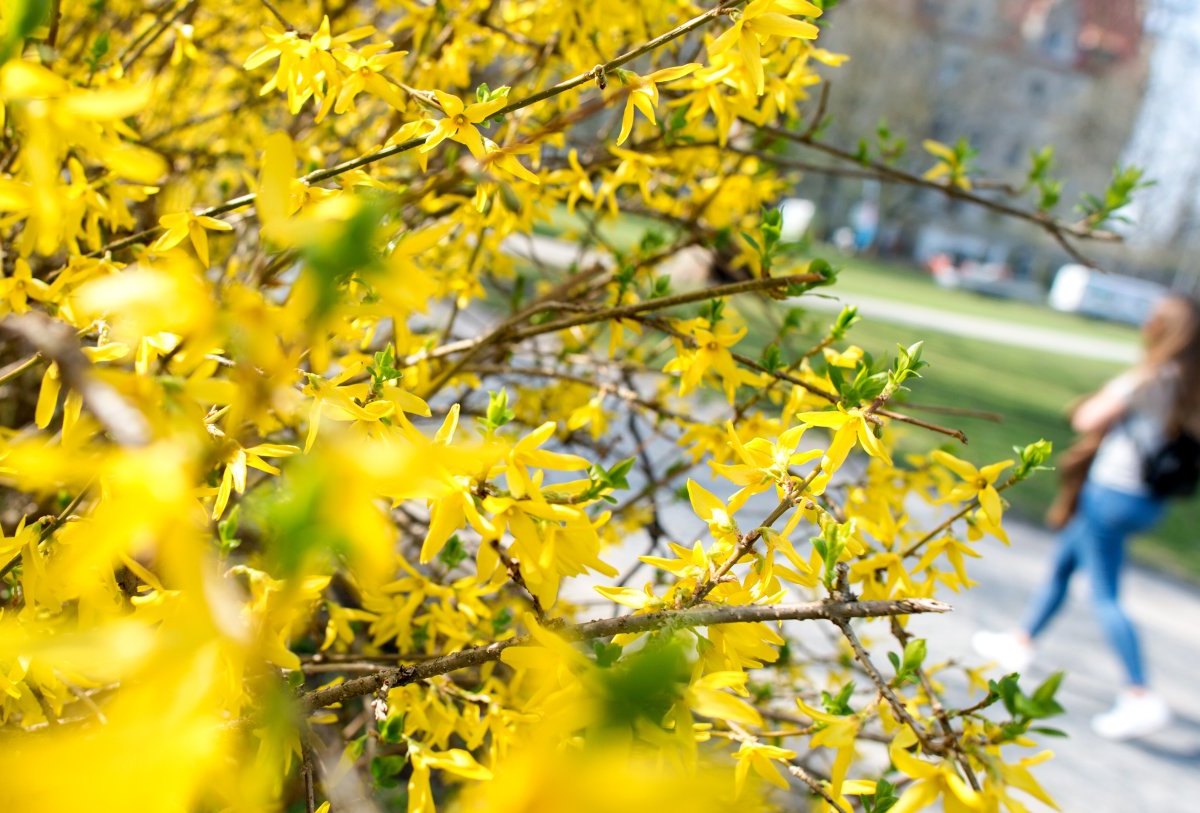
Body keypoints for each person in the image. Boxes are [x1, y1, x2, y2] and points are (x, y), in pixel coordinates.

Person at [973, 294, 1200, 740]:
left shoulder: (1151, 376)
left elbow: (1089, 417)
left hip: (1112, 493)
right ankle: (1020, 641)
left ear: (1164, 330)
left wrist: (1086, 407)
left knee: (1106, 595)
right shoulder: (1194, 385)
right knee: (1063, 565)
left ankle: (1139, 694)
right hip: (1147, 502)